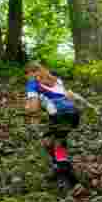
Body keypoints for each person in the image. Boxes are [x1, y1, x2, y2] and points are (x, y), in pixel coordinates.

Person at [25, 61, 81, 189]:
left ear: (31, 73)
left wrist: (28, 108)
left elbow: (33, 108)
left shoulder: (32, 84)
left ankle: (73, 182)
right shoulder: (57, 80)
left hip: (59, 115)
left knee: (58, 146)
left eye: (27, 75)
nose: (27, 77)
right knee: (48, 142)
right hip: (73, 114)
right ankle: (59, 169)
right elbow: (69, 98)